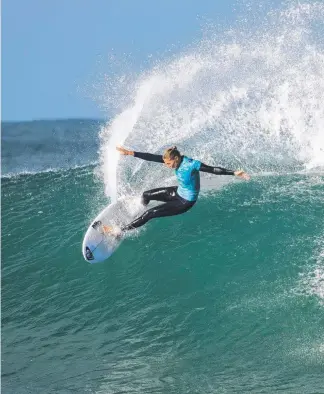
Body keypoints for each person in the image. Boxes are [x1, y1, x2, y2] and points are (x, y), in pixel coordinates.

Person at [103, 146, 250, 236]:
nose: (167, 166)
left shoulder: (192, 164)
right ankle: (137, 211)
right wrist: (130, 153)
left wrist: (234, 173)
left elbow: (213, 169)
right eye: (166, 163)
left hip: (185, 202)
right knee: (146, 195)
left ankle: (119, 231)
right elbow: (152, 157)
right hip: (177, 192)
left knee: (151, 213)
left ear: (176, 158)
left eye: (169, 163)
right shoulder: (174, 160)